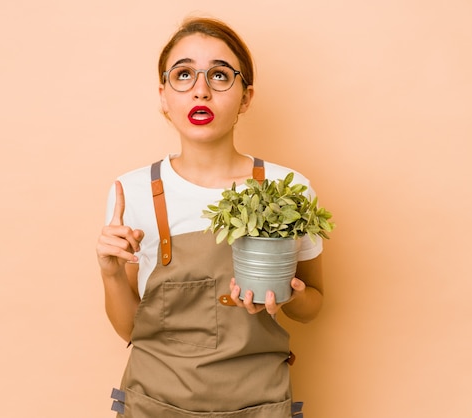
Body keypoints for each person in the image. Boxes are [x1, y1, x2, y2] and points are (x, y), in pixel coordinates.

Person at [96, 16, 324, 418]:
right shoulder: (130, 192)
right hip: (154, 405)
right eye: (183, 74)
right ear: (164, 95)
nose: (200, 90)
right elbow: (131, 329)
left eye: (219, 75)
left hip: (259, 404)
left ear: (246, 97)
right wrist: (111, 272)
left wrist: (286, 291)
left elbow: (313, 306)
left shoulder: (286, 189)